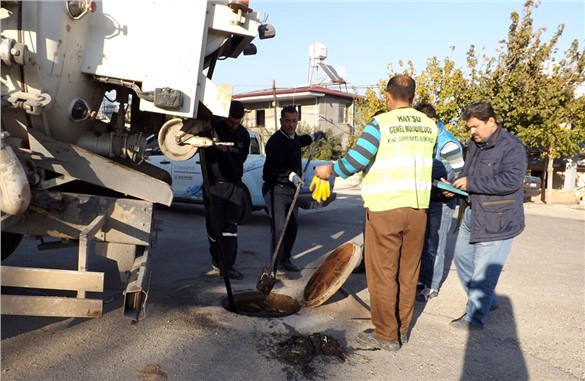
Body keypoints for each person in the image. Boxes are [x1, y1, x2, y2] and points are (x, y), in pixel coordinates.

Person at [314, 74, 438, 351]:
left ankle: (385, 334)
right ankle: (402, 329)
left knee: (383, 273)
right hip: (418, 209)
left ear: (388, 97)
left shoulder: (381, 124)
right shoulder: (429, 126)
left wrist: (328, 170)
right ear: (414, 98)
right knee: (408, 273)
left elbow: (355, 161)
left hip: (386, 209)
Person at [448, 102, 527, 330]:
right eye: (469, 128)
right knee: (462, 260)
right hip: (473, 213)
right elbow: (467, 174)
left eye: (475, 126)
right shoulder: (475, 145)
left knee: (484, 272)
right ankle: (487, 300)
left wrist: (471, 183)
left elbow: (510, 181)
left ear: (491, 122)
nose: (472, 132)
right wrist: (455, 186)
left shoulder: (512, 147)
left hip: (498, 219)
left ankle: (474, 318)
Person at [262, 105, 325, 273]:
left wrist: (314, 136)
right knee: (279, 228)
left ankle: (285, 259)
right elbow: (272, 169)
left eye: (294, 121)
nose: (291, 125)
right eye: (287, 121)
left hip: (291, 191)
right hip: (276, 190)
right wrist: (291, 175)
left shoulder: (293, 137)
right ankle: (274, 266)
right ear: (281, 121)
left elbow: (301, 141)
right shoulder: (276, 142)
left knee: (291, 228)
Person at [414, 102, 464, 302]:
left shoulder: (448, 144)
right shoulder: (425, 140)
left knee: (436, 245)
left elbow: (461, 175)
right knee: (424, 244)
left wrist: (453, 187)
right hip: (425, 199)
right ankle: (423, 280)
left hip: (441, 203)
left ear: (433, 121)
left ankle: (432, 286)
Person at [202, 100, 250, 280]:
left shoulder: (243, 135)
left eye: (238, 123)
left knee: (230, 228)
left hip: (234, 187)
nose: (233, 126)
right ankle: (216, 260)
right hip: (213, 186)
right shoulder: (212, 129)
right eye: (231, 122)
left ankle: (228, 266)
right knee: (214, 227)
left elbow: (242, 157)